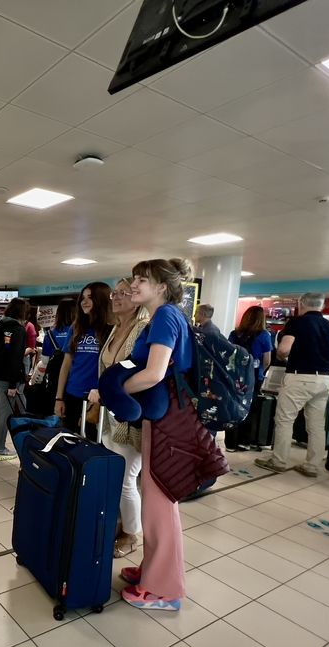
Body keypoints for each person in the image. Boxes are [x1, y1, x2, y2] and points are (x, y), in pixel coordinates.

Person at [117, 257, 194, 611]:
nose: (134, 285)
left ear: (162, 287)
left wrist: (114, 392)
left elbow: (154, 373)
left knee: (159, 502)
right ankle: (153, 569)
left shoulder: (165, 316)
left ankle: (164, 588)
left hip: (166, 420)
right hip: (161, 416)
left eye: (142, 280)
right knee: (153, 497)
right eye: (134, 278)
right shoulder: (164, 316)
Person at [88, 278, 148, 558]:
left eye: (125, 293)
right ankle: (121, 523)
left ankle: (133, 534)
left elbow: (144, 374)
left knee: (126, 478)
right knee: (117, 476)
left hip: (132, 416)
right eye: (115, 292)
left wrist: (109, 393)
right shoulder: (115, 329)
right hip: (111, 417)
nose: (117, 297)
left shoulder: (143, 329)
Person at [255, 293, 329, 478]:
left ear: (301, 303)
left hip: (299, 376)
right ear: (322, 306)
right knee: (316, 424)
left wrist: (283, 356)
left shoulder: (297, 323)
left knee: (285, 420)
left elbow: (283, 349)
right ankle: (312, 465)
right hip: (324, 380)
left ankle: (278, 460)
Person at [54, 282, 112, 439]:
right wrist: (59, 397)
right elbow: (66, 364)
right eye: (83, 298)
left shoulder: (111, 329)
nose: (84, 302)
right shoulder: (76, 327)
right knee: (69, 443)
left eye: (90, 298)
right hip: (73, 394)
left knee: (92, 446)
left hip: (97, 399)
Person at [224, 306, 273, 451]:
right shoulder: (264, 335)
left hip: (234, 376)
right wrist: (261, 373)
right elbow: (267, 359)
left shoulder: (235, 333)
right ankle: (244, 441)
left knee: (232, 407)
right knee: (250, 409)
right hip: (253, 377)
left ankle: (230, 443)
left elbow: (227, 353)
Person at [0, 298, 28, 460]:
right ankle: (1, 449)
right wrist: (12, 383)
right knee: (4, 412)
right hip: (6, 377)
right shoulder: (18, 329)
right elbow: (15, 357)